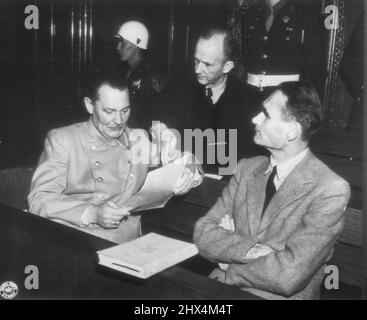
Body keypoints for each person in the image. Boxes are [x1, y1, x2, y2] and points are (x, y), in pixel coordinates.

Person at [193, 81, 350, 299]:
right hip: (221, 290)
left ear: (292, 131)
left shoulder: (330, 189)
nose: (255, 119)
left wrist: (230, 261)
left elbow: (288, 275)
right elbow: (203, 232)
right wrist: (256, 251)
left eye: (266, 114)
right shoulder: (247, 168)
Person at [28, 73, 202, 244]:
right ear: (90, 105)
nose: (118, 121)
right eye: (109, 111)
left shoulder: (137, 139)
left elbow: (185, 159)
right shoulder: (64, 140)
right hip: (76, 239)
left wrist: (189, 173)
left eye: (125, 110)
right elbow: (39, 198)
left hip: (125, 241)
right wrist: (93, 213)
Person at [178, 28, 261, 176]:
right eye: (196, 61)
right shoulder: (180, 92)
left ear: (227, 66)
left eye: (207, 64)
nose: (197, 70)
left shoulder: (251, 103)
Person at [241, 0, 326, 113]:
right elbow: (245, 61)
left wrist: (302, 106)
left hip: (287, 101)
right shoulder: (251, 13)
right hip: (251, 98)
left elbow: (315, 68)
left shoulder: (305, 14)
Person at [115, 20, 166, 132]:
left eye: (123, 43)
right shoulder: (127, 72)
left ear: (137, 44)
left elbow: (158, 117)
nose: (118, 47)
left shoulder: (151, 75)